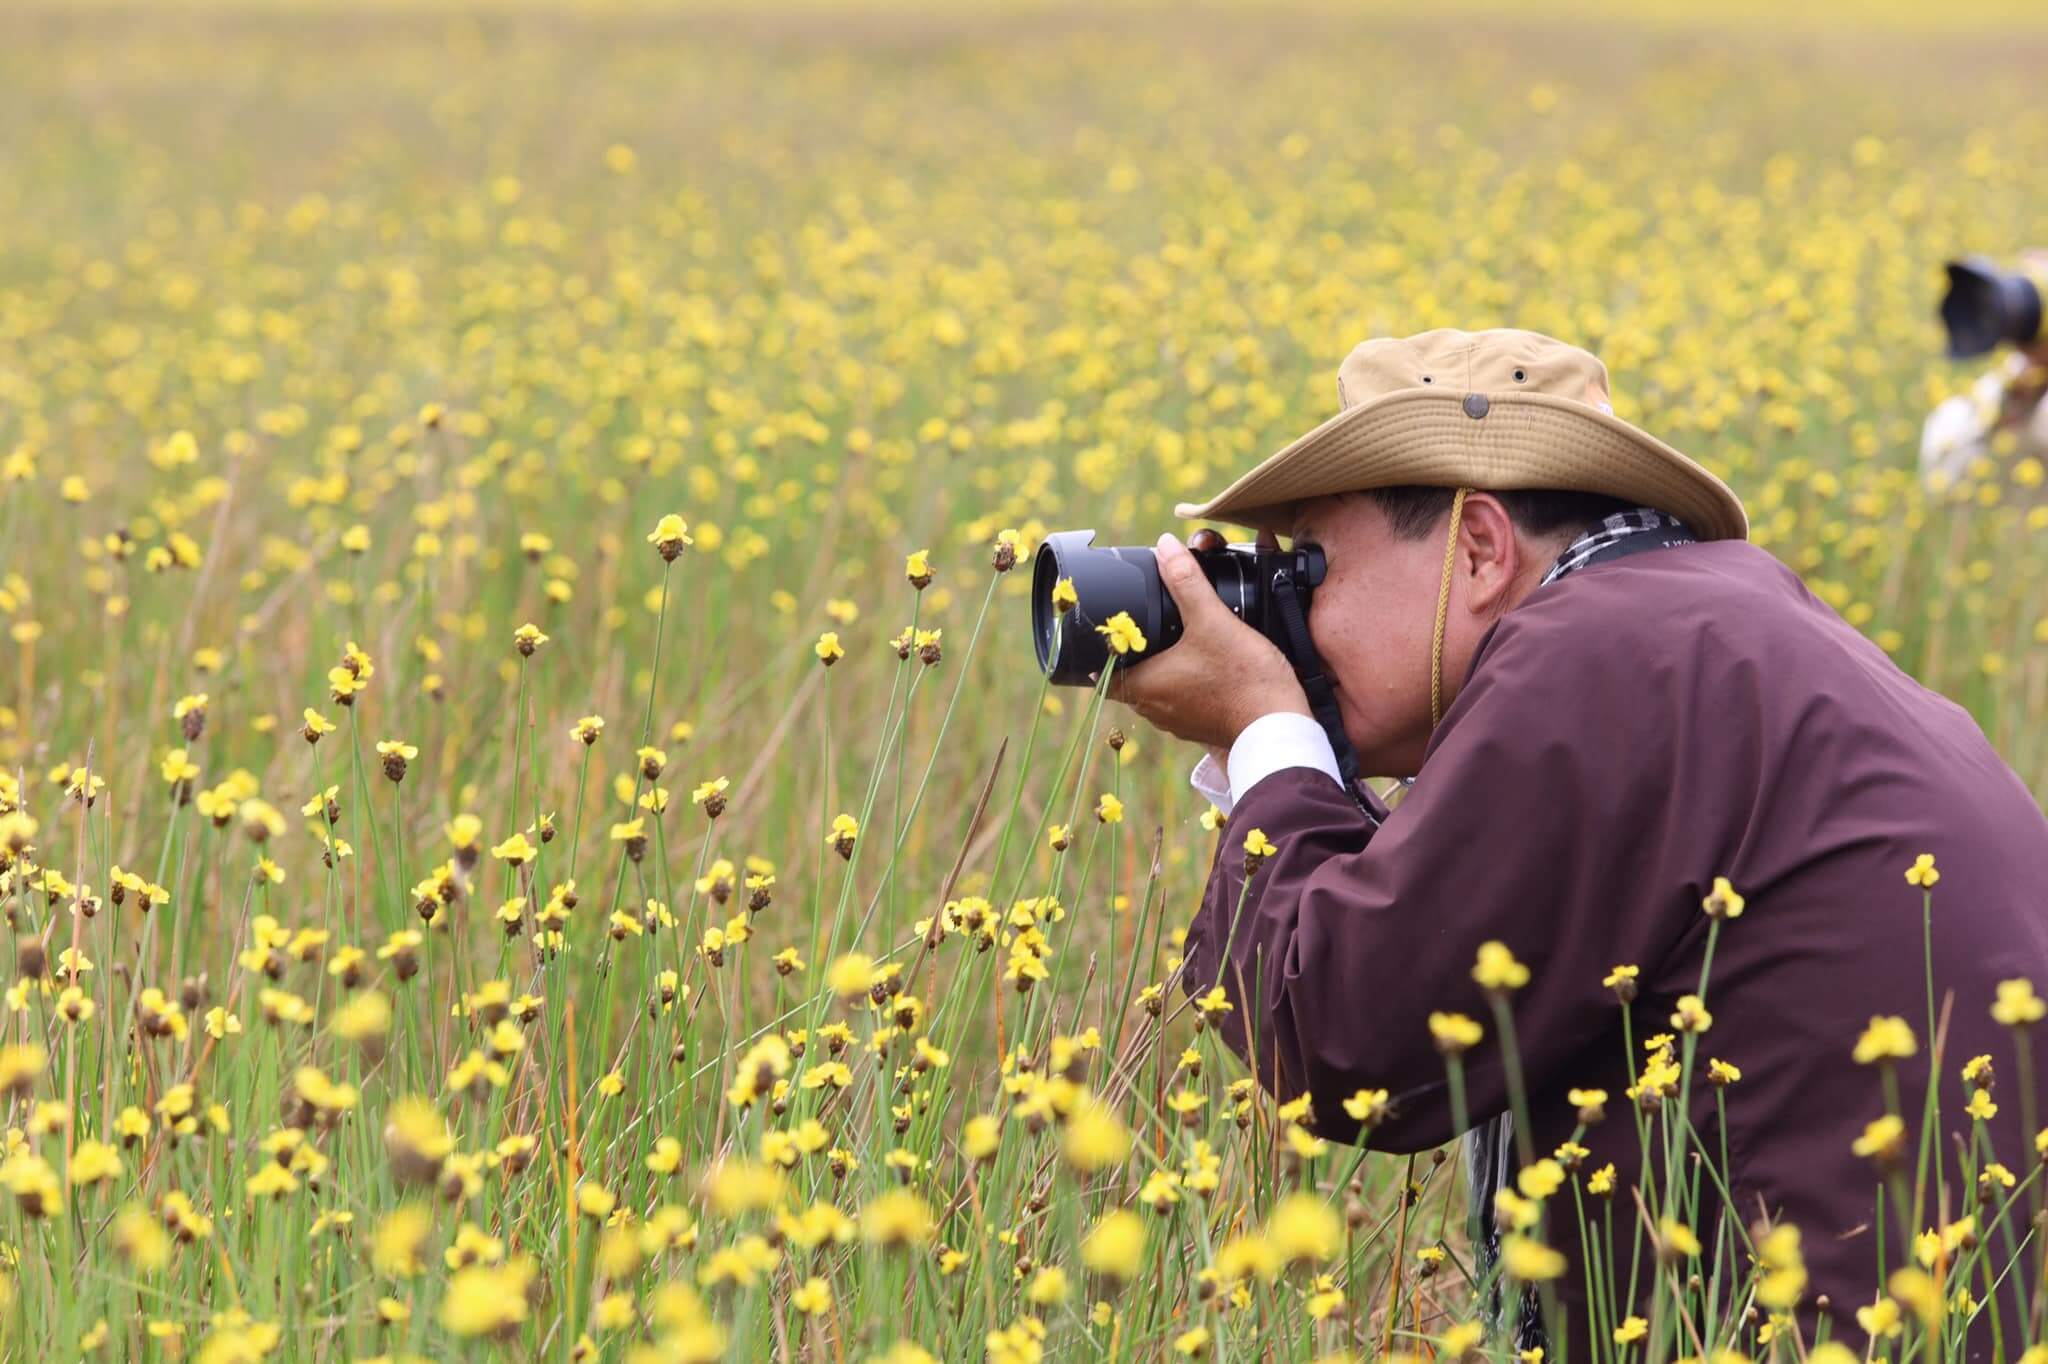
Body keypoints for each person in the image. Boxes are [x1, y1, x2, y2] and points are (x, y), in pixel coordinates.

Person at [1107, 327, 2048, 1361]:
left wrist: (1260, 732)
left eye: (1311, 562)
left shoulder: (1596, 653)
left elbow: (1344, 1028)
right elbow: (1467, 943)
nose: (1286, 605)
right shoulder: (1719, 627)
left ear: (1477, 546)